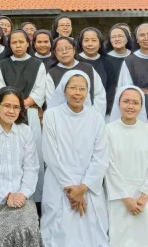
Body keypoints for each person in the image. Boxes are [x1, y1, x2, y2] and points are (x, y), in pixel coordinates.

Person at [41, 70, 109, 247]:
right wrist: (72, 190)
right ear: (64, 90)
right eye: (73, 88)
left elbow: (100, 157)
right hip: (59, 184)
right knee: (59, 232)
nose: (78, 93)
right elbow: (51, 155)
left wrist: (83, 188)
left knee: (92, 234)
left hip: (89, 186)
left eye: (82, 89)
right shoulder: (52, 116)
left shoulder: (96, 118)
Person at [0, 87, 42, 247]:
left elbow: (32, 168)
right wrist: (6, 195)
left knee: (28, 225)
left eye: (16, 107)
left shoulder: (25, 132)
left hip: (20, 198)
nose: (11, 111)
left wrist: (23, 194)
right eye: (7, 106)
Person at [105, 86, 148, 247]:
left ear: (141, 106)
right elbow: (108, 166)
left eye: (135, 103)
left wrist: (144, 197)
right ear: (118, 103)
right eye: (126, 101)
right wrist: (125, 198)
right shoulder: (108, 130)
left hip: (146, 199)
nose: (130, 106)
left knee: (146, 239)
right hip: (118, 199)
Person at [0, 30, 46, 203]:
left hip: (29, 113)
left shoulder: (38, 64)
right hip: (7, 116)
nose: (17, 45)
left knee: (32, 156)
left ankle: (33, 197)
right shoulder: (2, 65)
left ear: (27, 44)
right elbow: (1, 89)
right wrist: (12, 108)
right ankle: (9, 194)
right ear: (9, 45)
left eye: (21, 42)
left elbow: (39, 90)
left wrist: (19, 106)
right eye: (14, 43)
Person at [44, 37, 106, 117]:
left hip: (89, 116)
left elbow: (99, 94)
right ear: (55, 53)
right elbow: (51, 101)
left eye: (68, 48)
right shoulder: (52, 73)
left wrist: (93, 115)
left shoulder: (88, 68)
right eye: (60, 49)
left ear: (74, 50)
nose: (64, 52)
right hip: (63, 118)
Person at [77, 27, 116, 117]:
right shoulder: (75, 61)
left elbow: (111, 88)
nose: (90, 44)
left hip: (102, 111)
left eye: (94, 40)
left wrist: (105, 109)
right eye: (86, 40)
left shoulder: (107, 62)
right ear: (81, 43)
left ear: (100, 44)